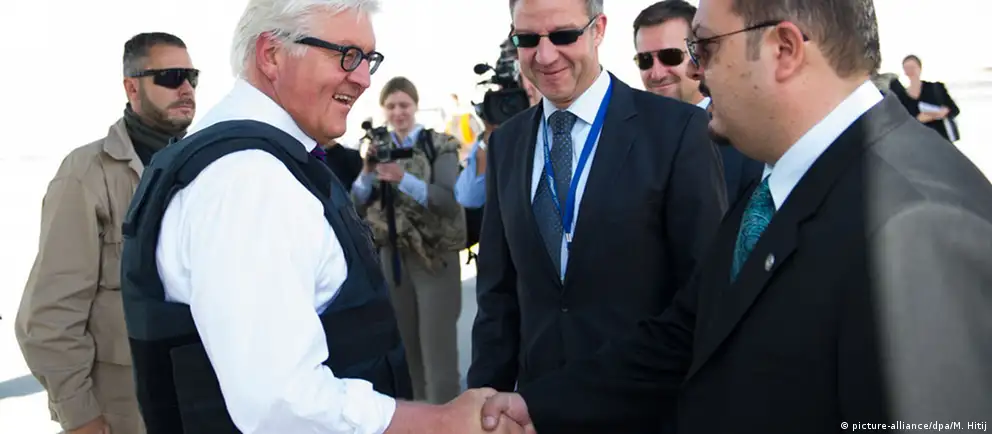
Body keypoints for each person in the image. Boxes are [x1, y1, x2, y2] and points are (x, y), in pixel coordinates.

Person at [478, 0, 992, 432]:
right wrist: (530, 406)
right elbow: (683, 335)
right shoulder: (774, 192)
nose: (693, 73)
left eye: (704, 48)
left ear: (783, 50)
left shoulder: (920, 220)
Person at [118, 1, 524, 434]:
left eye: (368, 59)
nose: (364, 78)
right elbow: (283, 404)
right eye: (346, 55)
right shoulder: (251, 180)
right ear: (272, 54)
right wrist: (440, 421)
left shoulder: (248, 162)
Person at [468, 0, 726, 404]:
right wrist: (483, 402)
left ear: (599, 29)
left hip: (645, 406)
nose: (545, 55)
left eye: (563, 35)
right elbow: (497, 297)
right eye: (528, 39)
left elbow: (702, 290)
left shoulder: (677, 130)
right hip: (536, 407)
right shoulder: (507, 142)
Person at [14, 32, 195, 434]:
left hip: (197, 404)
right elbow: (50, 314)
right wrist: (80, 416)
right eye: (170, 76)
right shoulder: (86, 173)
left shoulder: (205, 167)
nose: (185, 88)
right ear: (132, 87)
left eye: (191, 77)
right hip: (124, 414)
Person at [352, 76, 466, 405]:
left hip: (434, 257)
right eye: (391, 106)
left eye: (404, 105)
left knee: (438, 356)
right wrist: (367, 171)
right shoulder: (379, 148)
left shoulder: (438, 145)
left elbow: (446, 201)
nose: (398, 112)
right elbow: (356, 204)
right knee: (409, 355)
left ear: (415, 106)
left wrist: (403, 179)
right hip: (394, 258)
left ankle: (447, 421)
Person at [633, 0, 761, 205]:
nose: (656, 74)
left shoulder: (747, 141)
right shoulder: (627, 140)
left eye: (670, 57)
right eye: (645, 60)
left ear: (698, 54)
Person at [889, 54, 961, 142]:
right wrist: (918, 119)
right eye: (907, 68)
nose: (910, 71)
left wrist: (939, 113)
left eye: (912, 67)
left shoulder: (936, 88)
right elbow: (903, 123)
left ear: (920, 68)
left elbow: (955, 110)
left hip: (942, 140)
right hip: (919, 142)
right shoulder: (902, 97)